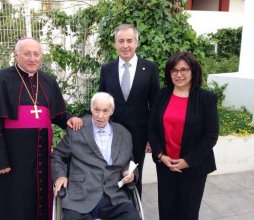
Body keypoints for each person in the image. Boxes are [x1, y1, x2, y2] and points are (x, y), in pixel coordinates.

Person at [0, 37, 82, 220]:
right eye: (27, 54)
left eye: (36, 54)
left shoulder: (48, 81)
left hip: (41, 156)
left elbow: (58, 114)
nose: (32, 58)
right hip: (13, 159)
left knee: (40, 200)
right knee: (13, 204)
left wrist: (71, 119)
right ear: (16, 55)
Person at [148, 51, 219, 220]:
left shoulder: (206, 99)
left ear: (193, 71)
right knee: (167, 211)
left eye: (184, 70)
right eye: (174, 70)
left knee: (188, 212)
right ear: (169, 73)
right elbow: (151, 128)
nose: (179, 74)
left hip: (193, 166)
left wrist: (187, 162)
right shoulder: (161, 95)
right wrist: (160, 156)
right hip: (166, 165)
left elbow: (211, 136)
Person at [51, 92, 141, 220]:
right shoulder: (77, 130)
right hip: (80, 197)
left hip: (114, 197)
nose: (100, 116)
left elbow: (129, 162)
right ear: (91, 108)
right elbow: (57, 155)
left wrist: (131, 174)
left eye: (105, 111)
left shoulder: (124, 134)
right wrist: (60, 175)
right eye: (96, 110)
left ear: (112, 111)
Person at [98, 24, 160, 196]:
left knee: (134, 175)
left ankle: (134, 210)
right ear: (115, 44)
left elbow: (155, 105)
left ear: (136, 43)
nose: (125, 45)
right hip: (112, 134)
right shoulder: (107, 69)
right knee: (112, 174)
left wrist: (151, 138)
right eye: (121, 41)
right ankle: (114, 208)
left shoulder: (150, 68)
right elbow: (101, 101)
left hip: (139, 136)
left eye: (129, 40)